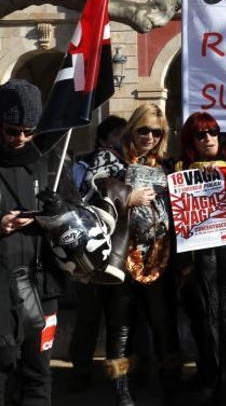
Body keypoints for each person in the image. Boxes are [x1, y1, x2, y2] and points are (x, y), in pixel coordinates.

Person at [80, 103, 181, 406]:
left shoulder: (165, 164)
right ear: (132, 129)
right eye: (143, 130)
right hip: (120, 258)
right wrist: (127, 196)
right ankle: (122, 395)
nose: (149, 136)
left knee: (164, 325)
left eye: (156, 131)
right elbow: (87, 192)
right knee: (119, 326)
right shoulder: (108, 159)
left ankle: (171, 390)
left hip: (159, 258)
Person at [0, 79, 76, 406]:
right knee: (3, 367)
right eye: (12, 130)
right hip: (1, 288)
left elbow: (78, 218)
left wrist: (59, 210)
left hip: (41, 287)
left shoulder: (53, 161)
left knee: (38, 372)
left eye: (28, 131)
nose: (21, 139)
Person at [174, 112, 226, 399]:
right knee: (200, 321)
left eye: (213, 132)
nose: (208, 139)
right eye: (201, 134)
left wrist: (224, 175)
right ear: (190, 140)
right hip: (195, 263)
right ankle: (207, 372)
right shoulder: (180, 168)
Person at [68, 116, 128, 390]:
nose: (123, 140)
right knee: (97, 318)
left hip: (110, 253)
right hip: (97, 253)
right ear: (104, 139)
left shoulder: (130, 164)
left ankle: (96, 374)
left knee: (108, 319)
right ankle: (91, 373)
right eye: (118, 134)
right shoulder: (90, 163)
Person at [72, 115, 126, 188]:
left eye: (126, 134)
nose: (123, 138)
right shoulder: (83, 167)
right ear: (103, 142)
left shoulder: (130, 162)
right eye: (117, 134)